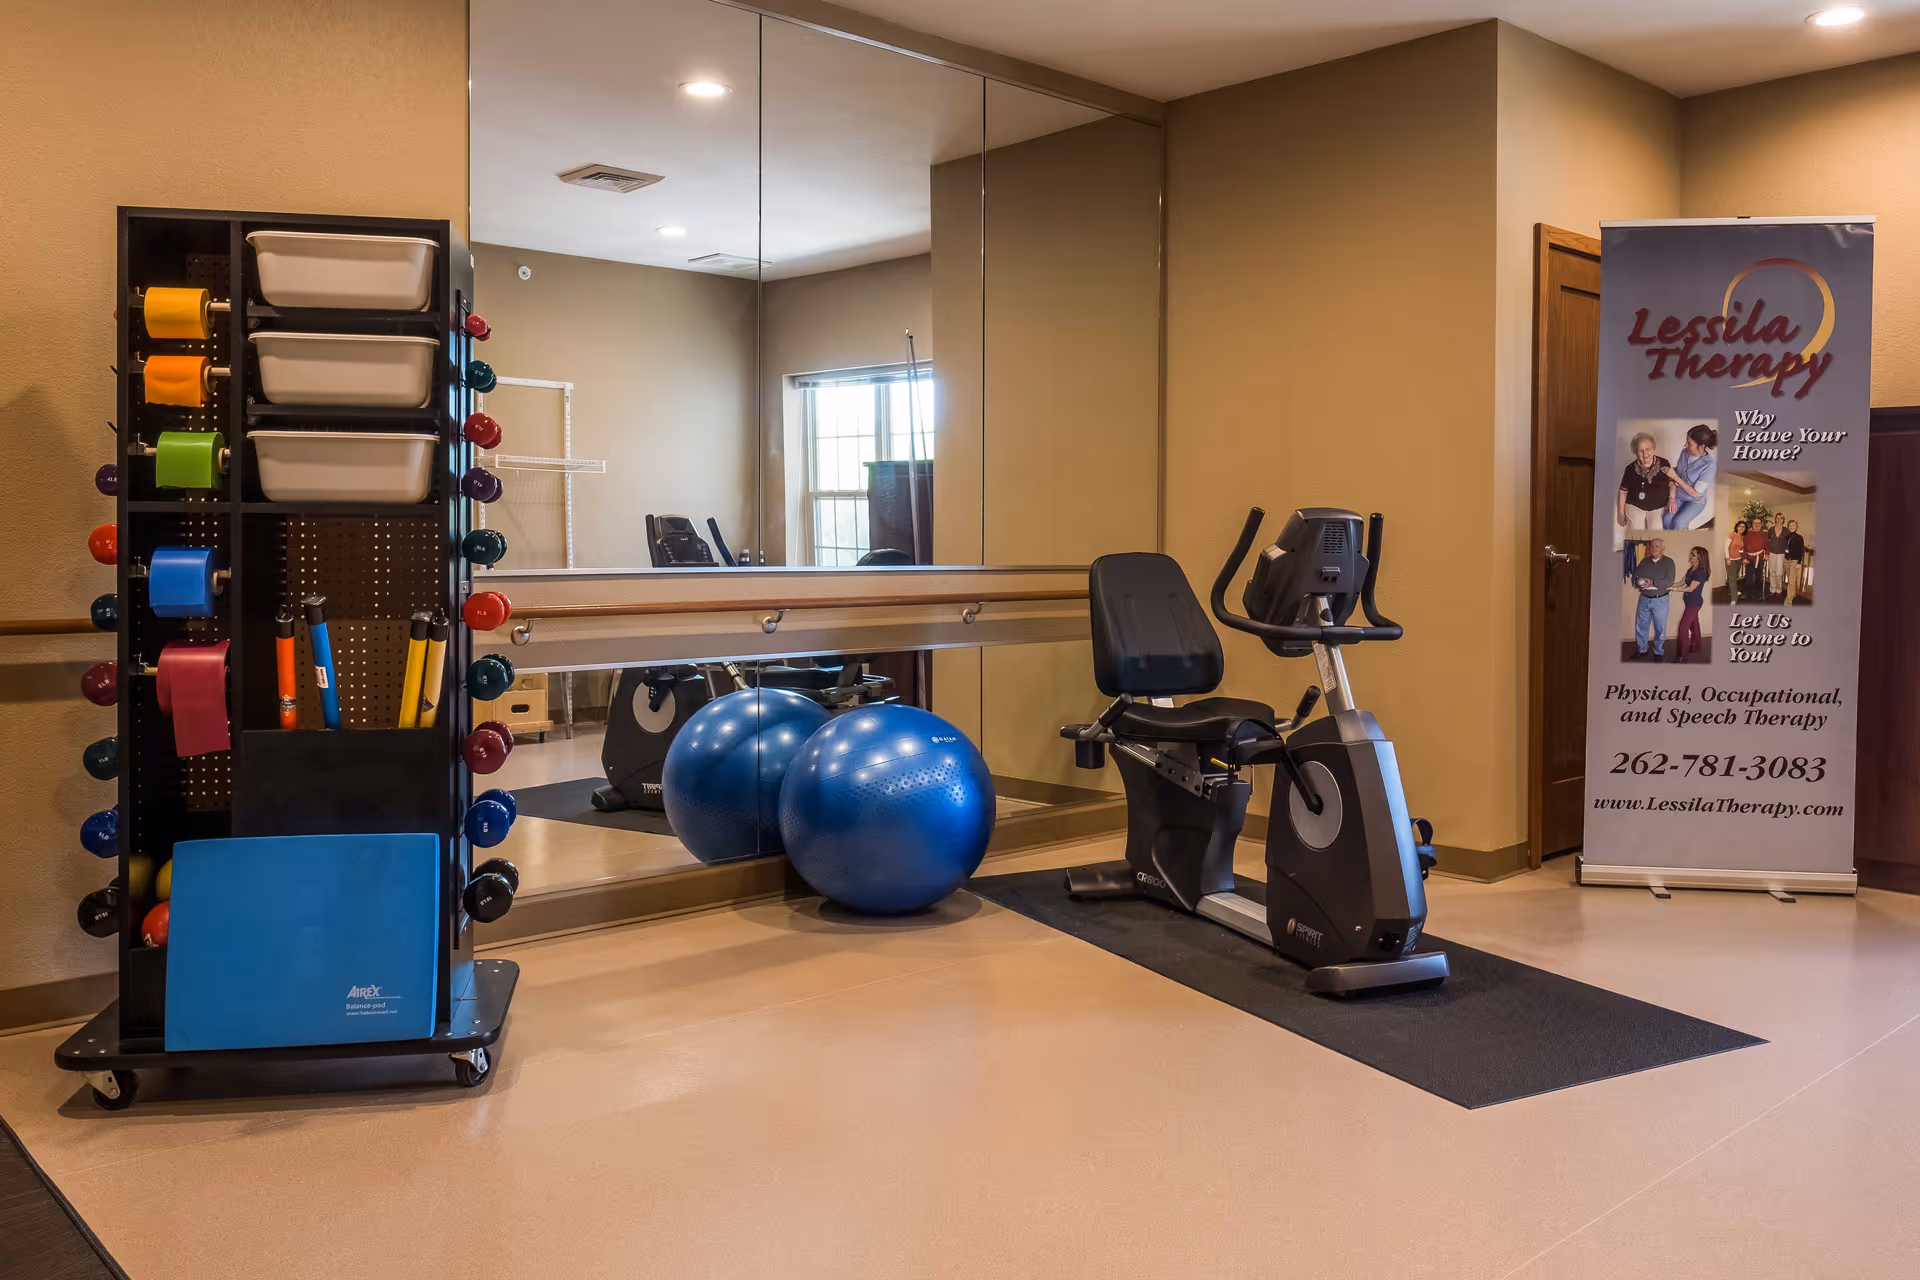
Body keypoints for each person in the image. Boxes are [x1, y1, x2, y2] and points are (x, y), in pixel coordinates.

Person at [1662, 425, 1718, 530]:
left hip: (1695, 500)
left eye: (1689, 443)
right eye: (1686, 441)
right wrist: (1672, 498)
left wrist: (1675, 477)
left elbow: (1695, 493)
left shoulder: (1709, 465)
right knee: (1667, 518)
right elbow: (1680, 472)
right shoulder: (1684, 453)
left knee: (1679, 522)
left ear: (1701, 446)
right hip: (1679, 495)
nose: (1685, 445)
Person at [1617, 432, 1675, 533]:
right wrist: (1620, 513)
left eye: (1648, 449)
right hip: (1635, 506)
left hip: (1658, 506)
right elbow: (1623, 491)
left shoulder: (1664, 463)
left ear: (1653, 450)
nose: (1645, 454)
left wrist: (1671, 499)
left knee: (1655, 536)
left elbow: (1671, 484)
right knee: (1637, 535)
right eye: (1641, 451)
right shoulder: (1630, 469)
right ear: (1636, 452)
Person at [1632, 537, 1676, 660]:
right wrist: (1638, 582)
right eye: (1652, 546)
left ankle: (1658, 651)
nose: (1654, 549)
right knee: (1641, 626)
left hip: (1660, 600)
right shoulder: (1644, 562)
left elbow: (1669, 581)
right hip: (1644, 599)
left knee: (1660, 628)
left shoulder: (1669, 562)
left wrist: (1653, 582)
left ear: (1662, 548)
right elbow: (1635, 577)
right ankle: (1642, 650)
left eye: (1657, 546)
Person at [1674, 546, 1711, 662]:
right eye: (1691, 554)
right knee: (1694, 625)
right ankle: (1695, 648)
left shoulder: (1700, 573)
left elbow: (1690, 589)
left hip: (1694, 603)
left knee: (1682, 629)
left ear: (1700, 557)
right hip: (1689, 602)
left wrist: (1673, 590)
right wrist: (1667, 585)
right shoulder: (1691, 569)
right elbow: (1680, 583)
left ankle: (1682, 655)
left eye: (1693, 555)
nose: (1690, 556)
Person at [1742, 517, 1768, 598]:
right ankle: (1747, 591)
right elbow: (1743, 547)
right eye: (1755, 523)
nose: (1757, 525)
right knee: (1748, 576)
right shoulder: (1747, 534)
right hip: (1749, 558)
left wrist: (1766, 554)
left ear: (1761, 525)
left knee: (1759, 576)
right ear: (1752, 524)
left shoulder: (1764, 534)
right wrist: (1744, 558)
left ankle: (1758, 591)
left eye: (1759, 523)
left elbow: (1767, 545)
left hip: (1759, 559)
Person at [1766, 512, 1789, 599]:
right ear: (1775, 519)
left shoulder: (1786, 530)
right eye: (1778, 518)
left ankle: (1779, 589)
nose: (1779, 520)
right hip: (1772, 553)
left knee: (1779, 573)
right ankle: (1773, 589)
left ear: (1783, 520)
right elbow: (1767, 541)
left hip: (1781, 554)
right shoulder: (1771, 529)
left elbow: (1789, 543)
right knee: (1772, 572)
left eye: (1781, 518)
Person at [1785, 518, 1808, 604]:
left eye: (1793, 526)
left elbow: (1801, 551)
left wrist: (1799, 562)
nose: (1791, 527)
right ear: (1788, 527)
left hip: (1795, 561)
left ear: (1796, 527)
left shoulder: (1799, 537)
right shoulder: (1787, 537)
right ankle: (1793, 593)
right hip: (1787, 561)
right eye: (1790, 526)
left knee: (1791, 581)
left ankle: (1788, 600)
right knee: (1791, 580)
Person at [1725, 520, 1748, 604]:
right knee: (1732, 579)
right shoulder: (1732, 535)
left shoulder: (1743, 537)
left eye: (1743, 527)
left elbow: (1742, 549)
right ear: (1737, 527)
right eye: (1740, 526)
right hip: (1731, 560)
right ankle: (1733, 599)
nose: (1741, 528)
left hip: (1739, 560)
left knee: (1735, 577)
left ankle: (1732, 591)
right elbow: (1726, 547)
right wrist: (1727, 558)